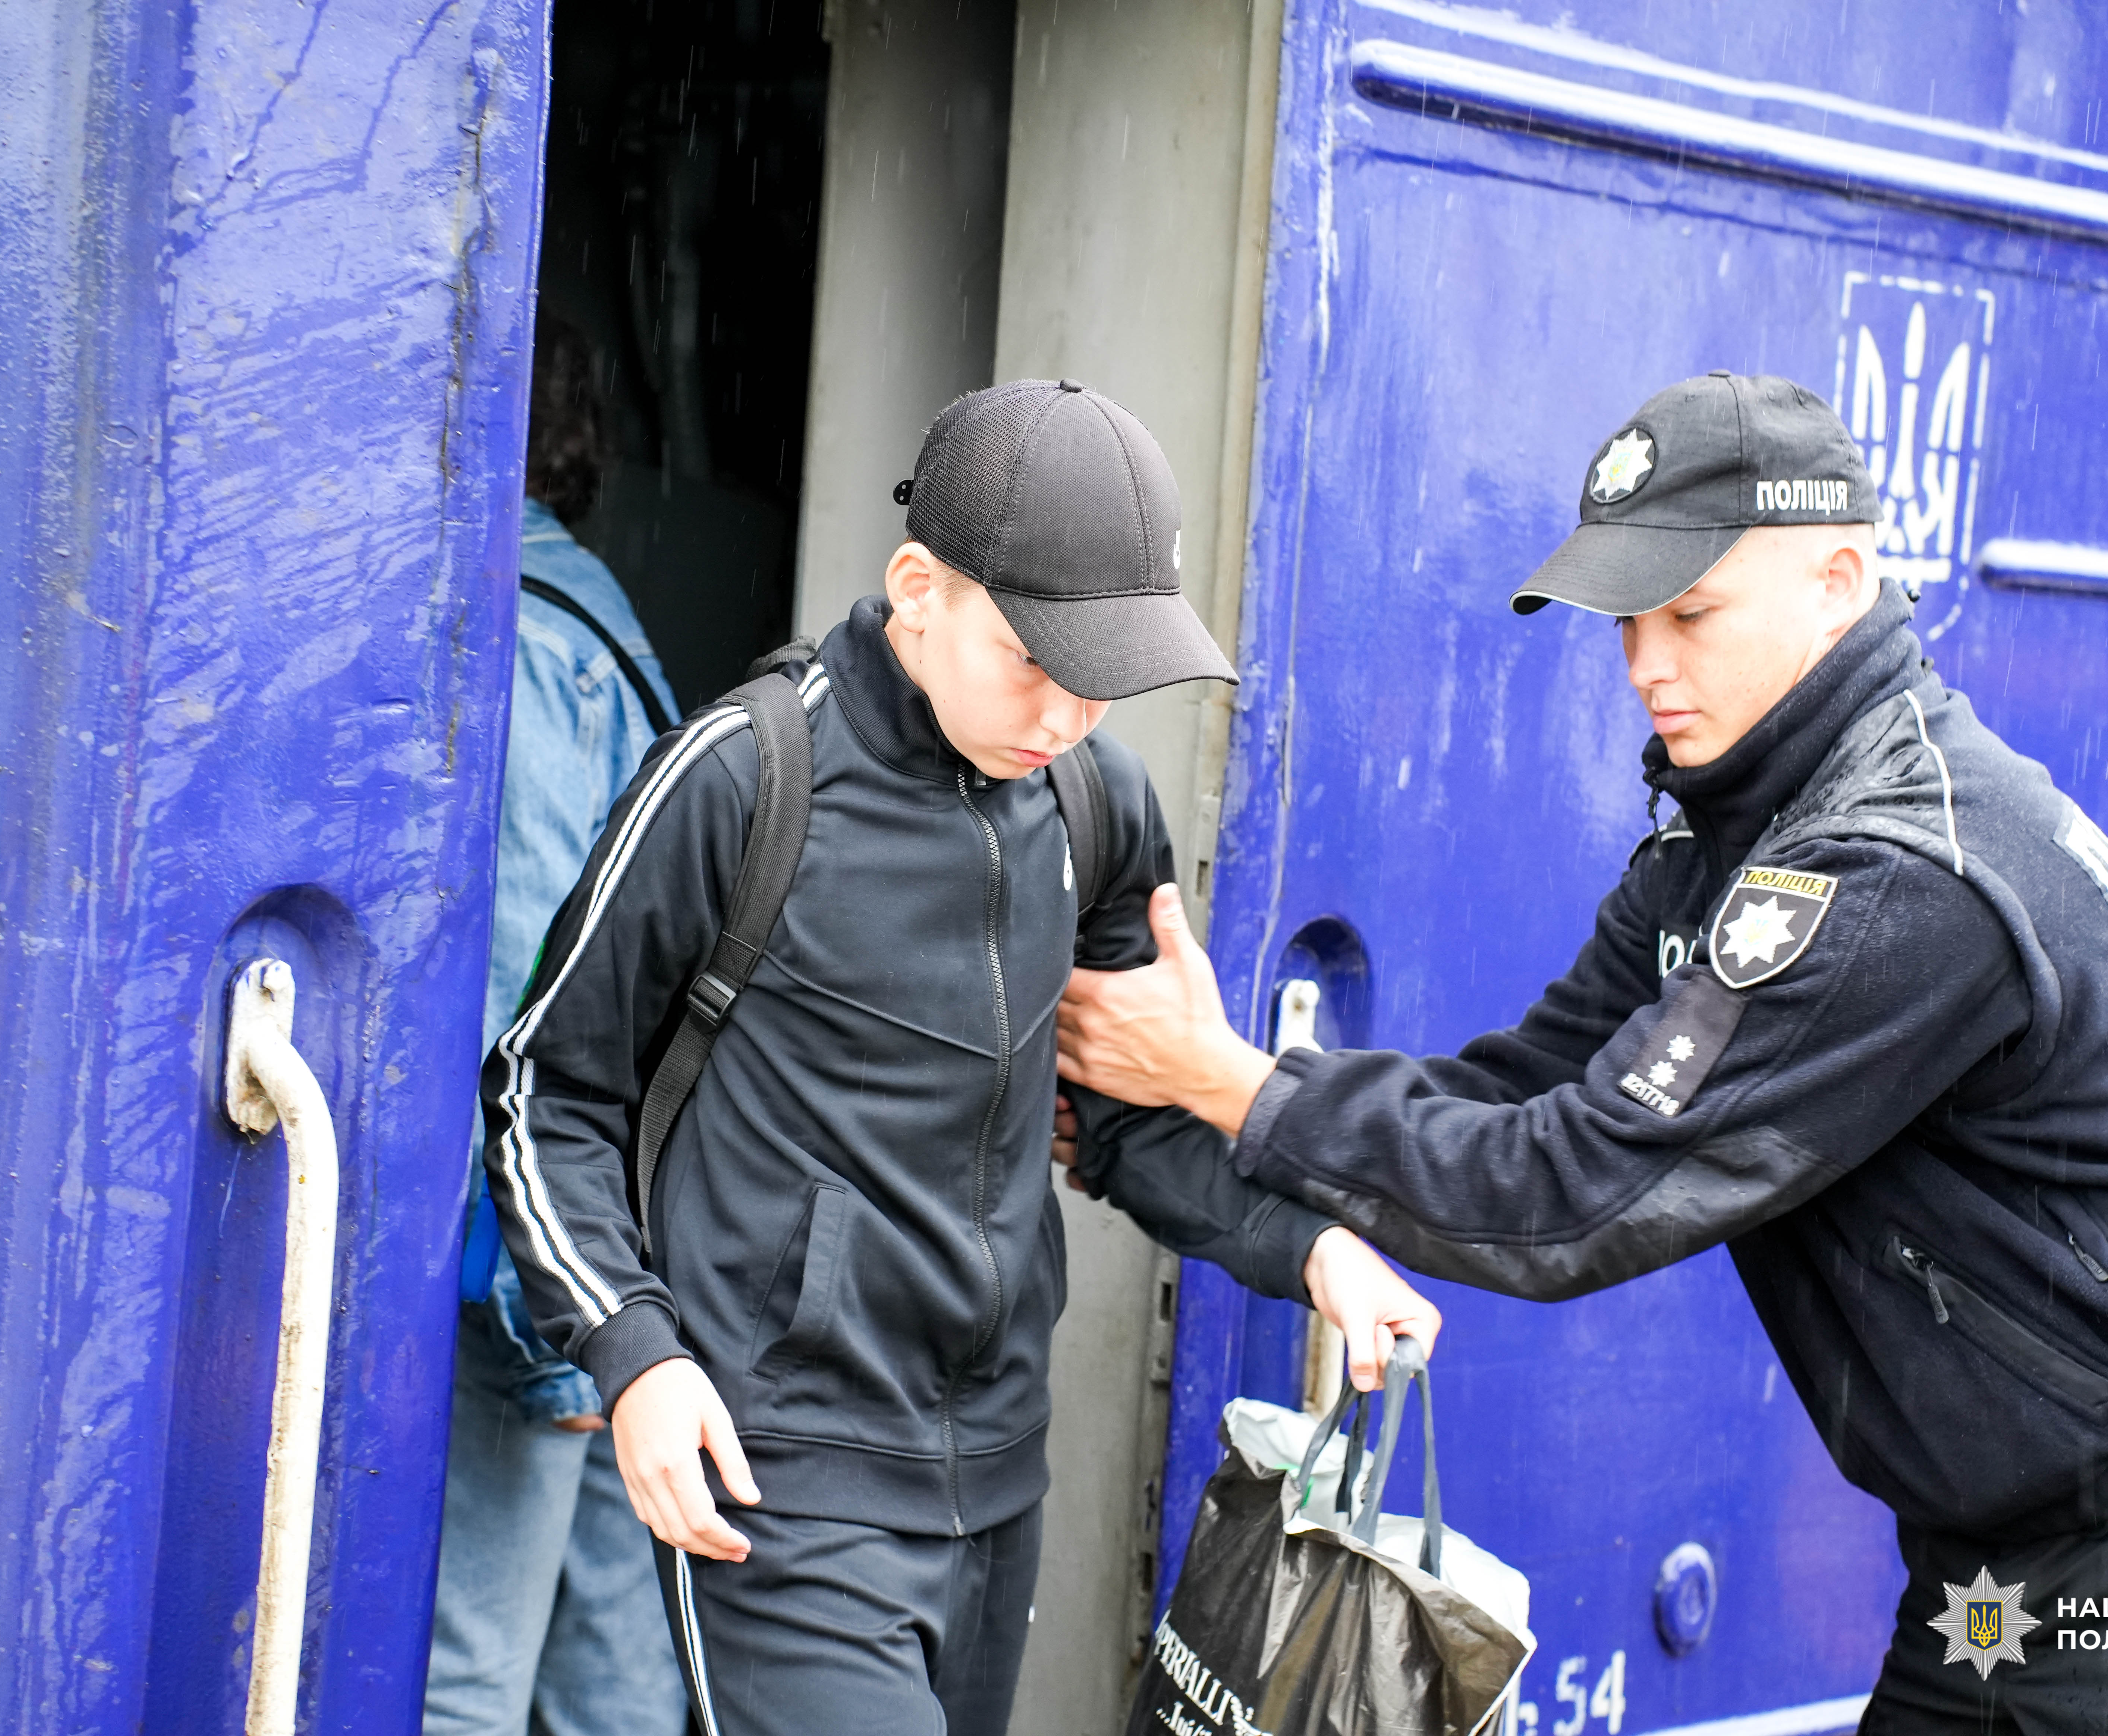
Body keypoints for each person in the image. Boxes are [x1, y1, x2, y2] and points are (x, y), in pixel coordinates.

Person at [1054, 373, 2108, 1735]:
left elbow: (1573, 1194)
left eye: (1691, 614)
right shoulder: (1725, 837)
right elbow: (1512, 1099)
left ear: (1838, 582)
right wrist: (1184, 1099)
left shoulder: (1900, 868)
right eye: (1627, 618)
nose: (1646, 664)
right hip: (2002, 1565)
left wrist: (1215, 1075)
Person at [479, 378, 1442, 1736]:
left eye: (1101, 674)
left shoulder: (1098, 805)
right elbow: (545, 1092)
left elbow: (1121, 1123)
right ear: (918, 590)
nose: (1067, 713)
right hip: (778, 1467)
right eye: (1032, 660)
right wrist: (635, 1353)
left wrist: (1312, 1247)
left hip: (996, 1478)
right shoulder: (745, 778)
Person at [425, 321, 689, 1736]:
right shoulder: (604, 624)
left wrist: (550, 1318)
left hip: (537, 1273)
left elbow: (521, 1024)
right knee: (612, 1683)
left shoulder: (524, 640)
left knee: (465, 1676)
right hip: (619, 1252)